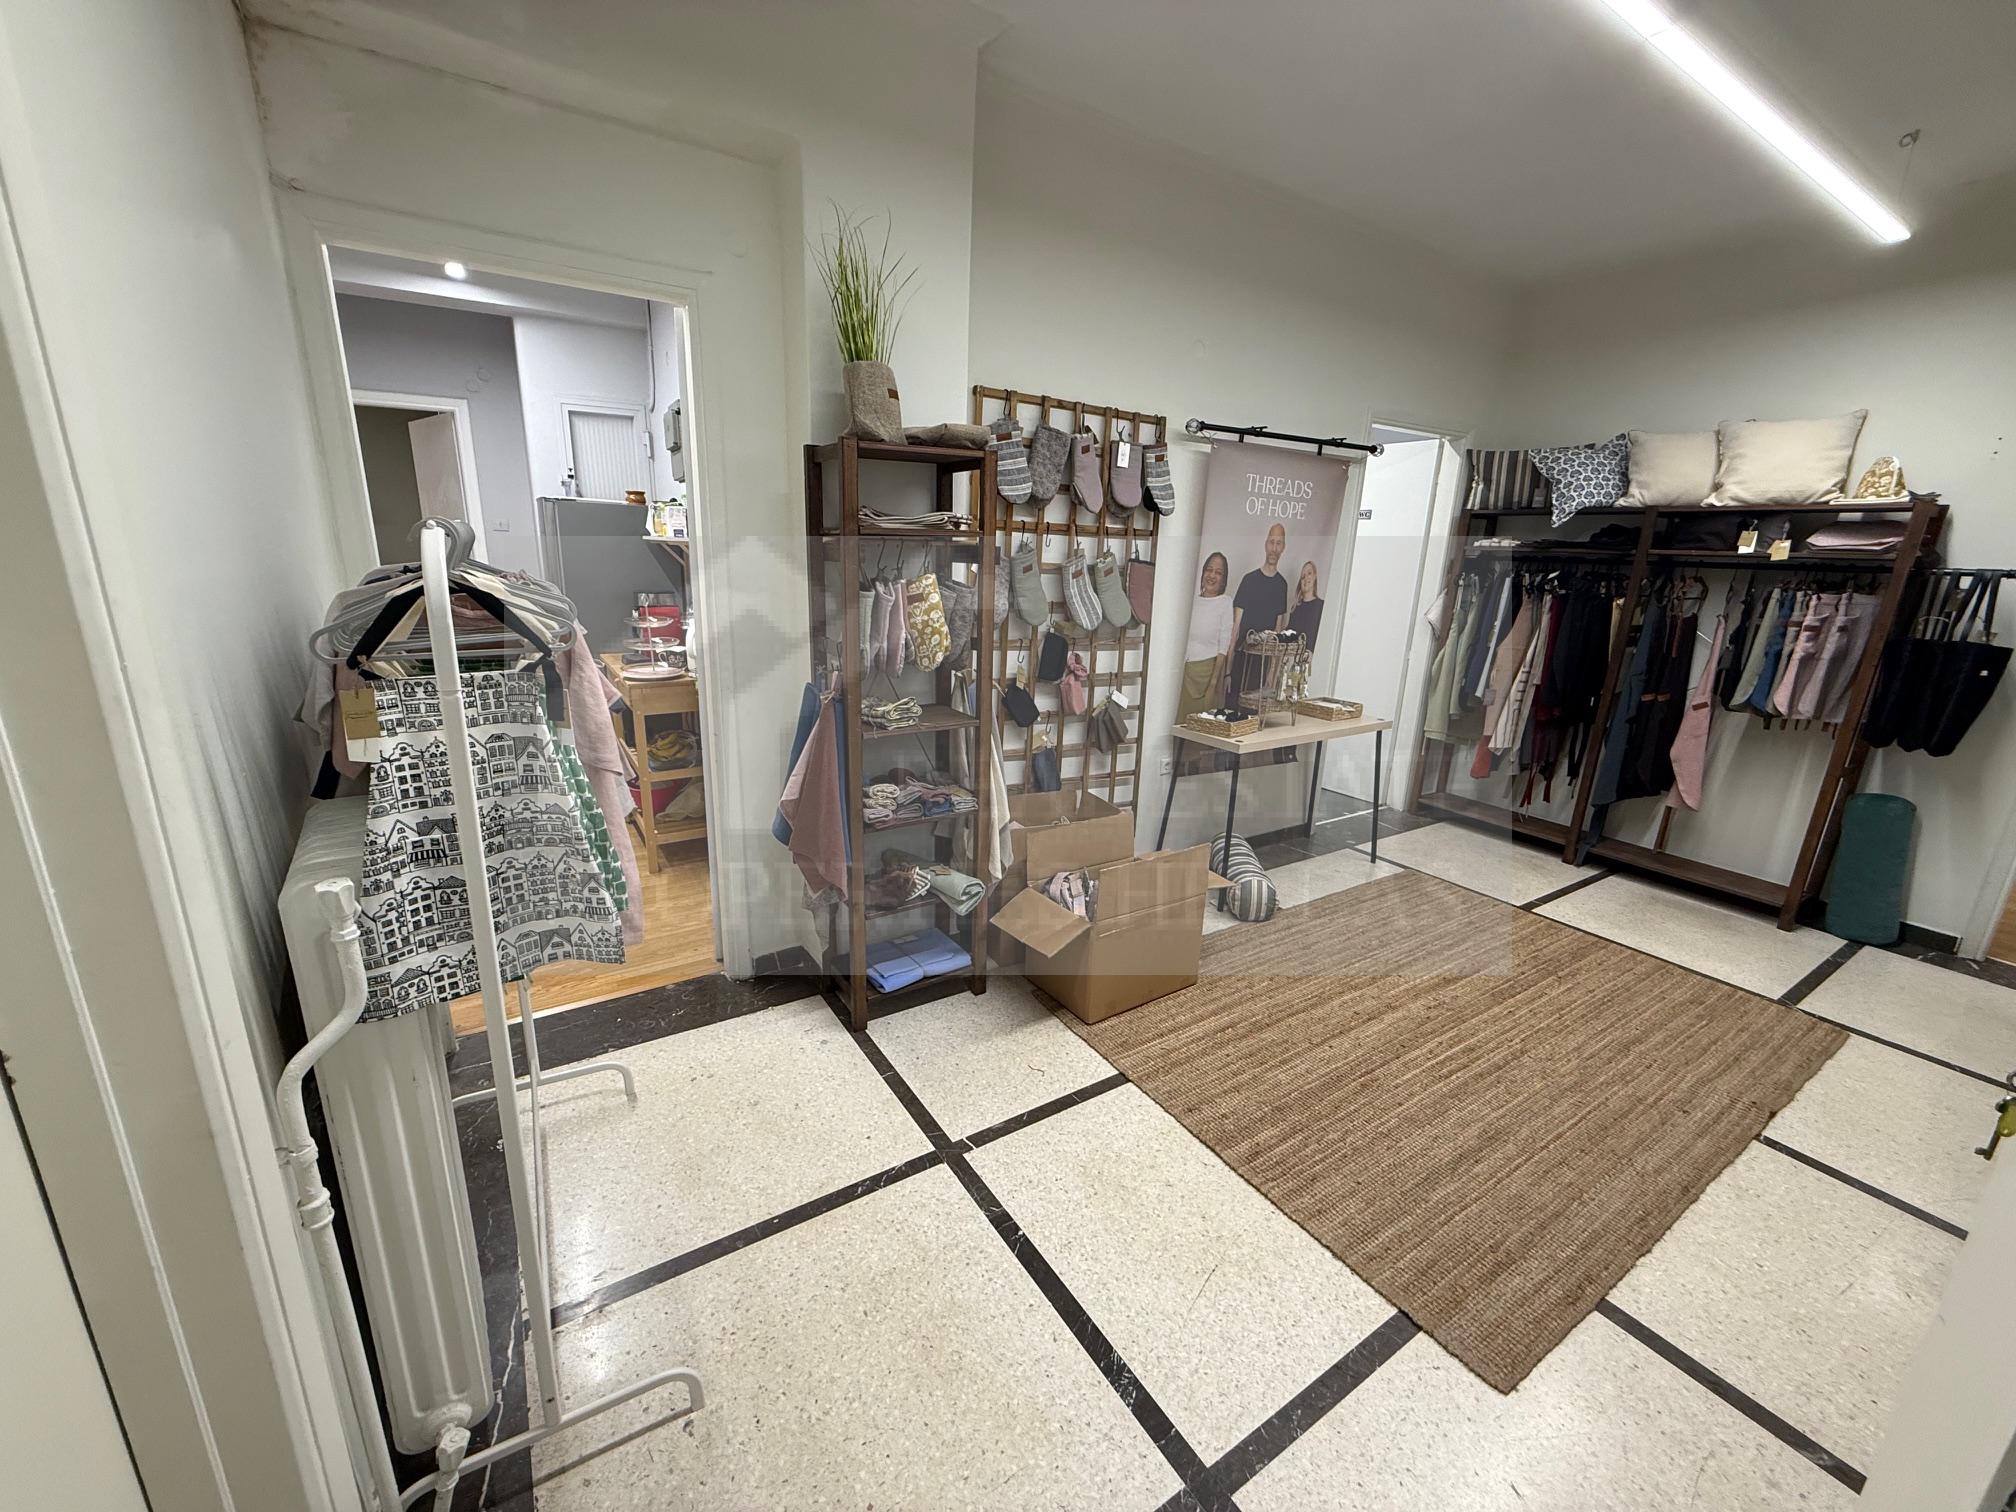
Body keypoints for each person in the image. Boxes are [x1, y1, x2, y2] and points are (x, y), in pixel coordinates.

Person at [1178, 553, 1233, 772]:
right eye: (1209, 570)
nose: (1212, 575)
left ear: (1224, 579)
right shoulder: (1191, 601)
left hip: (1206, 674)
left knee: (1199, 731)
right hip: (1185, 672)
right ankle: (1177, 772)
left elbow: (1223, 645)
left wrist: (1213, 683)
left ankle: (1194, 774)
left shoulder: (1225, 602)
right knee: (1180, 726)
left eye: (1218, 572)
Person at [1227, 522, 1289, 705]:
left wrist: (1272, 675)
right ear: (1265, 544)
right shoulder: (1249, 580)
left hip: (1262, 666)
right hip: (1241, 659)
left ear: (1283, 548)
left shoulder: (1282, 585)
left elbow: (1278, 633)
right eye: (1272, 542)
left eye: (1279, 543)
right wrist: (1227, 672)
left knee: (1253, 716)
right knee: (1231, 710)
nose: (1274, 548)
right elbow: (1235, 629)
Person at [1287, 561, 1324, 646]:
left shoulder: (1321, 606)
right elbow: (1289, 634)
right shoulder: (1295, 608)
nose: (1306, 578)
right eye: (1303, 577)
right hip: (1295, 653)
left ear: (1315, 576)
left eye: (1309, 573)